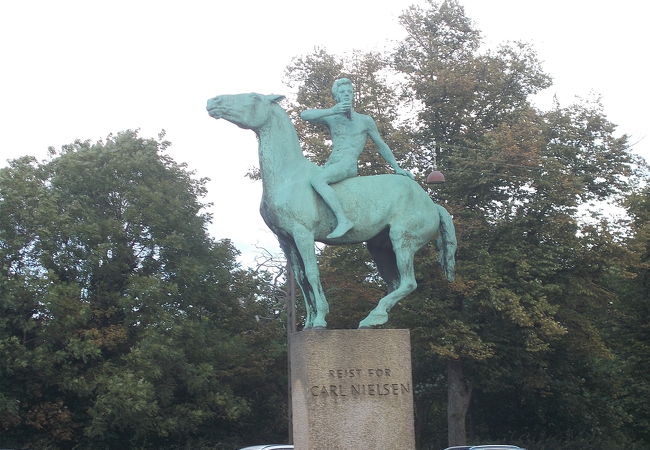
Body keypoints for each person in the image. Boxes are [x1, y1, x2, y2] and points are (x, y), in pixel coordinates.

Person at [300, 78, 414, 239]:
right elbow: (304, 115)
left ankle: (343, 220)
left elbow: (381, 145)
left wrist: (396, 167)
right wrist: (332, 110)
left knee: (317, 180)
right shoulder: (332, 116)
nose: (346, 94)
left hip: (347, 164)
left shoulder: (364, 120)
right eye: (342, 92)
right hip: (332, 164)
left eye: (349, 92)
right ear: (337, 96)